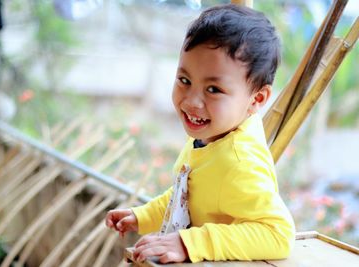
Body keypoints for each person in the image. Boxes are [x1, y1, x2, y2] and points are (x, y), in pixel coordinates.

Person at [105, 3, 295, 264]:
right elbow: (188, 196)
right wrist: (143, 215)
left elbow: (278, 234)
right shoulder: (209, 137)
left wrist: (190, 242)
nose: (192, 101)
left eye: (213, 89)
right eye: (184, 80)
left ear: (257, 98)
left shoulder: (239, 162)